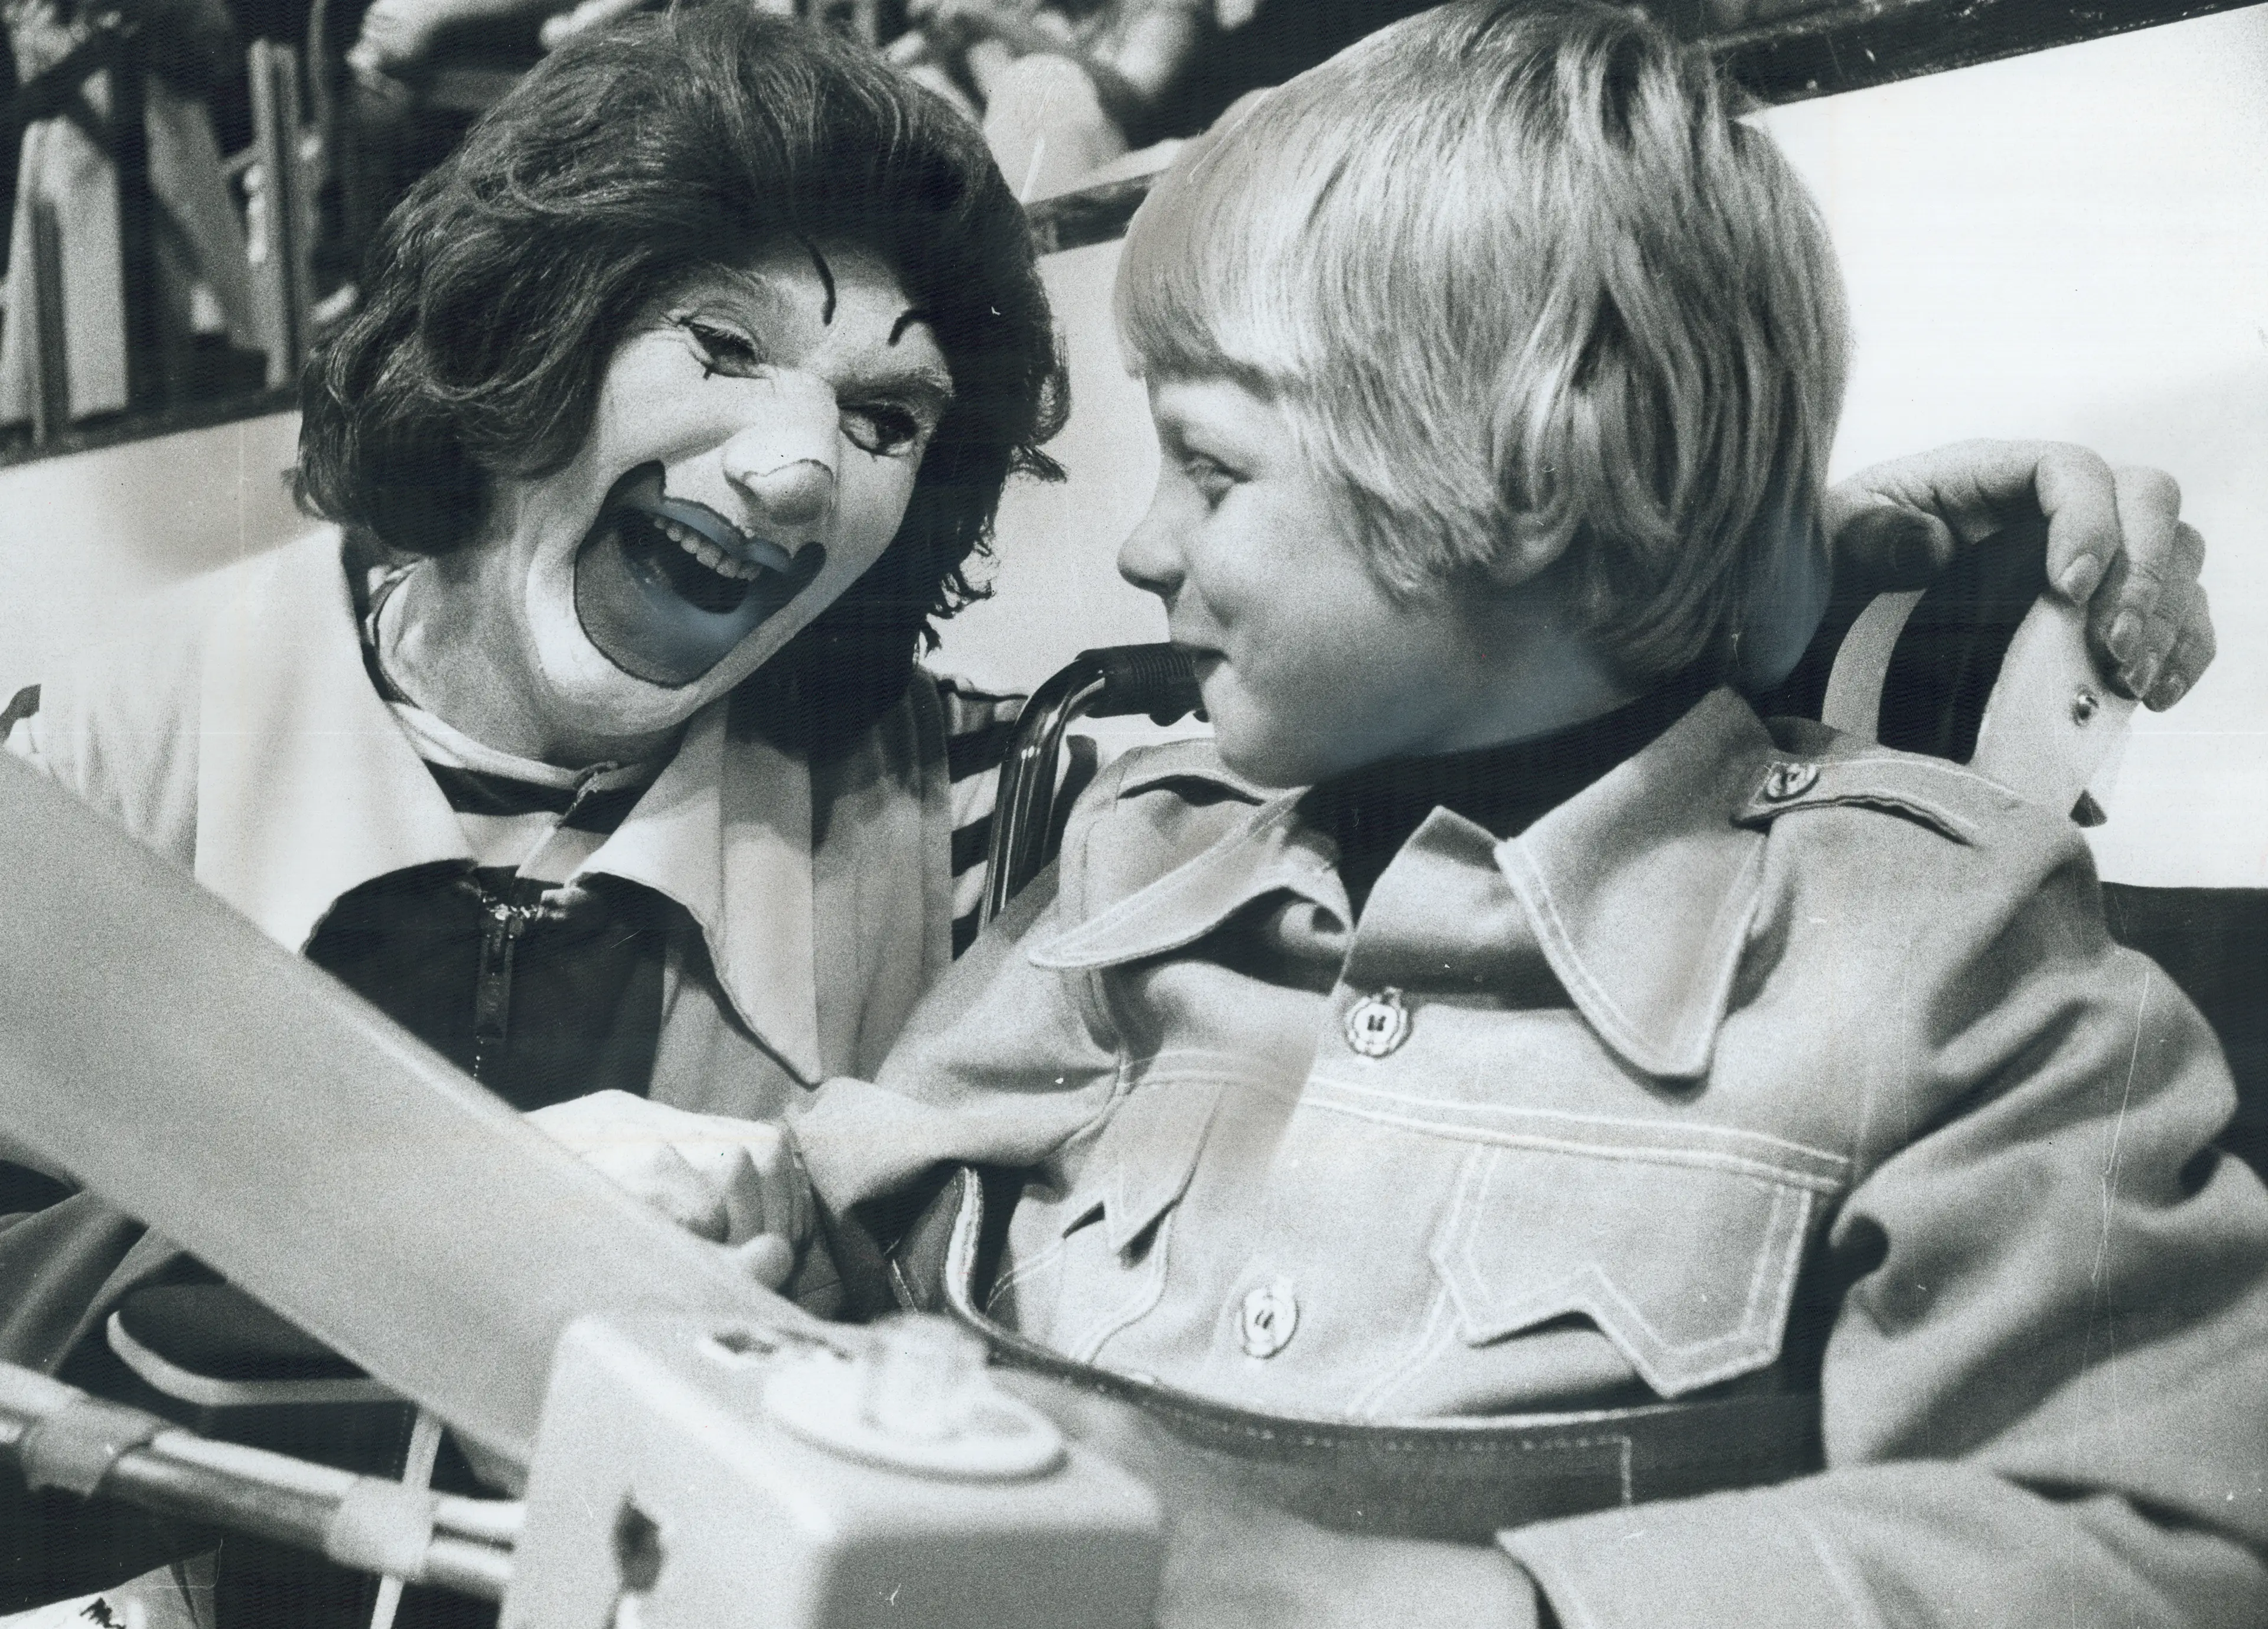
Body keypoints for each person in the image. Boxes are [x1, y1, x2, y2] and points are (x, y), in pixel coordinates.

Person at [0, 0, 2224, 1612]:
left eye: (890, 417)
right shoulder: (81, 757)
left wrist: (1786, 555)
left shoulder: (1019, 789)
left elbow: (1507, 624)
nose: (797, 469)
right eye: (721, 345)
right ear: (526, 337)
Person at [781, 5, 2268, 1624]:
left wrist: (1401, 1598)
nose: (1144, 547)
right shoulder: (1138, 847)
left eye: (1212, 469)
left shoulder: (1937, 953)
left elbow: (2167, 1544)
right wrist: (738, 1213)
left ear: (1528, 482)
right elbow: (859, 1226)